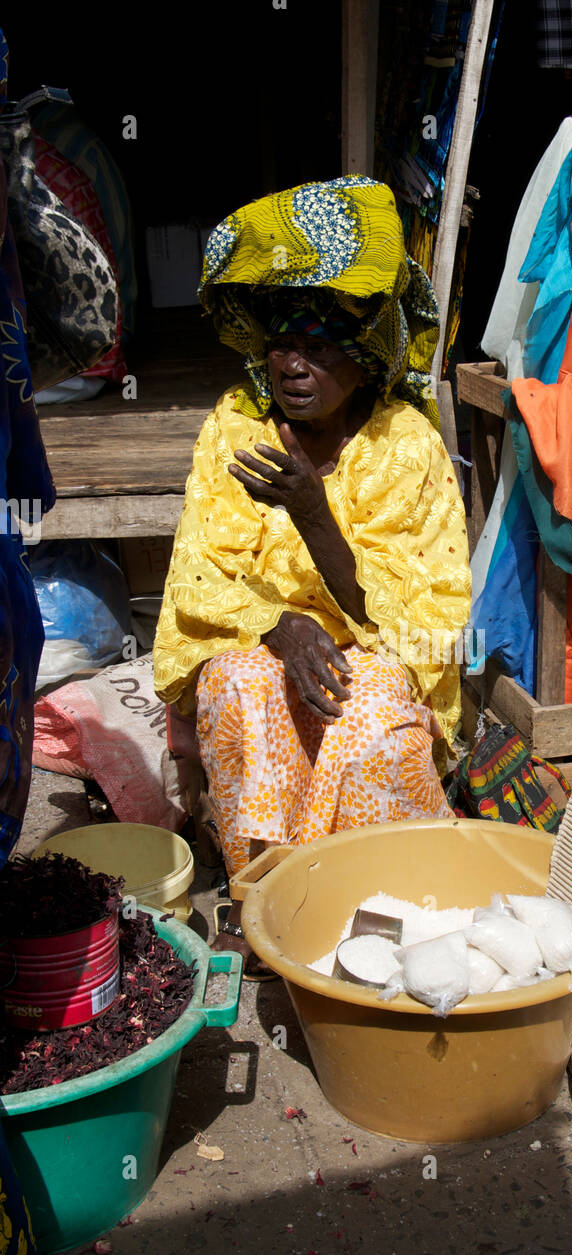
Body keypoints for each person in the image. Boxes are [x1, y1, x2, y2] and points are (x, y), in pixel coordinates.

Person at [153, 177, 471, 977]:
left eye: (320, 348)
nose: (294, 366)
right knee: (237, 692)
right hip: (257, 636)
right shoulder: (236, 425)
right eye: (281, 345)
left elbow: (421, 617)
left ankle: (370, 904)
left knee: (368, 725)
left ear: (364, 360)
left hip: (377, 648)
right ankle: (260, 899)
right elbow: (198, 577)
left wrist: (313, 512)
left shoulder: (407, 445)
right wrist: (279, 627)